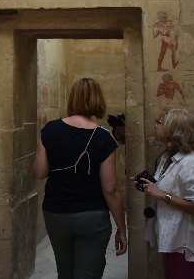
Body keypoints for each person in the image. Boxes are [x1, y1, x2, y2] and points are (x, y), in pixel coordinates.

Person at [32, 78, 127, 279]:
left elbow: (39, 172)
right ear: (97, 100)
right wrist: (122, 227)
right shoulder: (104, 138)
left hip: (56, 212)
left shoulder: (50, 130)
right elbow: (110, 188)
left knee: (65, 272)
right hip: (92, 215)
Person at [132, 108, 194, 279]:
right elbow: (167, 186)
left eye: (159, 123)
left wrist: (162, 195)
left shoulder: (191, 164)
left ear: (173, 130)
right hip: (172, 239)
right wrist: (148, 184)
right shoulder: (168, 157)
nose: (155, 126)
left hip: (186, 244)